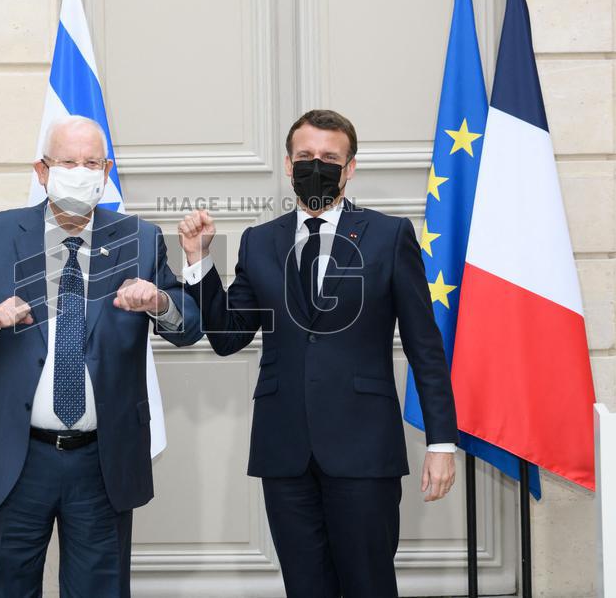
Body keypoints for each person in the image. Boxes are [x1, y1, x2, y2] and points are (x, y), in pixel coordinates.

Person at [0, 115, 202, 598]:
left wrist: (160, 302)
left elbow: (189, 325)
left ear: (106, 171)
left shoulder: (139, 239)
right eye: (68, 162)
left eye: (91, 163)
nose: (80, 172)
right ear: (43, 171)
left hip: (101, 463)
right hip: (14, 458)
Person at [177, 109, 458, 598]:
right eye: (305, 156)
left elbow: (425, 348)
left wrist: (441, 443)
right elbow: (228, 336)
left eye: (329, 158)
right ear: (288, 164)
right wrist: (201, 259)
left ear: (350, 169)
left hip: (364, 450)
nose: (316, 166)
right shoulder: (259, 241)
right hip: (285, 451)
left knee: (368, 586)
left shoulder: (390, 237)